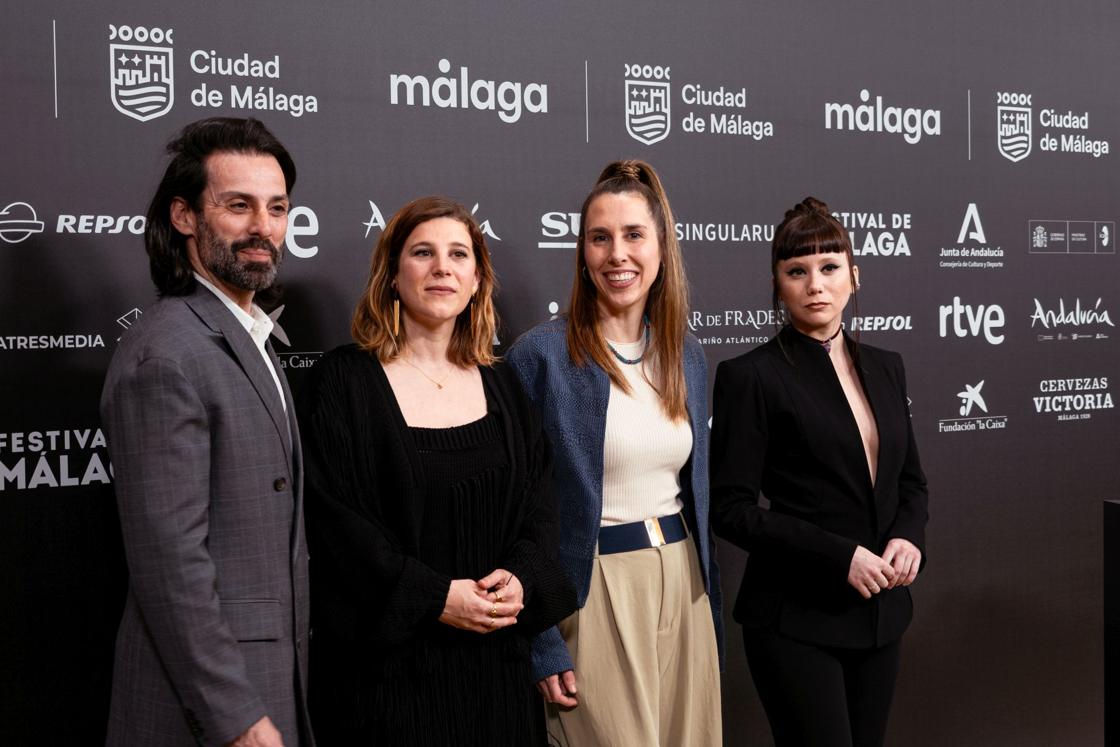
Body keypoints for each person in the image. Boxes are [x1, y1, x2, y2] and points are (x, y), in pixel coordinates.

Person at [298, 196, 576, 745]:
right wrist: (435, 598)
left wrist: (520, 578)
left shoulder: (503, 384)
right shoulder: (343, 382)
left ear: (477, 281)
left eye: (458, 255)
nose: (442, 267)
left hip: (497, 675)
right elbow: (338, 529)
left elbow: (540, 509)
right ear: (393, 275)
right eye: (423, 253)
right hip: (385, 682)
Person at [100, 117, 311, 747]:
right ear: (185, 217)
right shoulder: (166, 353)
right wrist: (236, 718)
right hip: (205, 707)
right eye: (237, 205)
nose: (262, 228)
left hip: (270, 679)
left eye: (276, 208)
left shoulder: (246, 335)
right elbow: (171, 565)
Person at [507, 160, 723, 746]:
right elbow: (513, 512)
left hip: (683, 584)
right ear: (581, 252)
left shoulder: (687, 354)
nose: (616, 254)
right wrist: (541, 638)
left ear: (661, 246)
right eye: (599, 238)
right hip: (592, 592)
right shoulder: (541, 356)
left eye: (633, 235)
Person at [710, 197, 929, 747]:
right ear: (778, 285)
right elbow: (731, 511)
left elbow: (911, 482)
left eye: (830, 268)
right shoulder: (750, 377)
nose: (816, 285)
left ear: (854, 277)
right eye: (797, 271)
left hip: (880, 614)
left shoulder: (887, 365)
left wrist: (908, 535)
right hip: (794, 619)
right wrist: (841, 557)